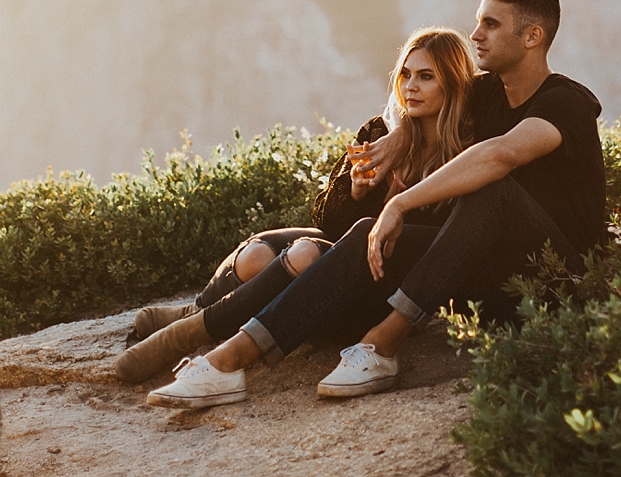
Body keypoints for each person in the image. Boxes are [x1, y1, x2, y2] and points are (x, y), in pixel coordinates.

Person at [144, 0, 604, 409]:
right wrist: (401, 136)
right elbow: (427, 98)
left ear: (532, 36)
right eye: (478, 20)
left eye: (490, 23)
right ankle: (228, 362)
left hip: (554, 280)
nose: (476, 34)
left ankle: (382, 345)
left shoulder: (565, 102)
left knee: (492, 189)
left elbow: (501, 154)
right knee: (365, 230)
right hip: (483, 270)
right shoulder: (485, 96)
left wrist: (403, 202)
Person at [114, 27, 476, 386]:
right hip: (347, 256)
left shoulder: (467, 153)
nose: (411, 86)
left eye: (426, 77)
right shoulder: (380, 133)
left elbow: (439, 249)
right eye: (406, 74)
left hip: (374, 292)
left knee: (303, 254)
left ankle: (188, 334)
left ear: (453, 83)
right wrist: (357, 191)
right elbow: (329, 225)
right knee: (258, 255)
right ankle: (198, 311)